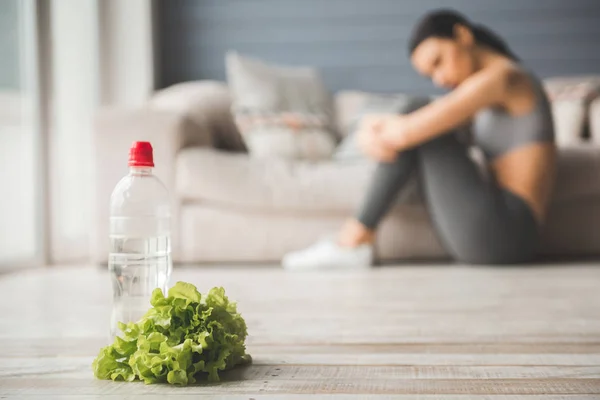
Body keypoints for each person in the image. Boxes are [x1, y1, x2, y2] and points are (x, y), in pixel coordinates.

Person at [282, 9, 556, 270]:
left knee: (416, 110)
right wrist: (375, 129)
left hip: (507, 233)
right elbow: (417, 129)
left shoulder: (505, 76)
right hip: (498, 236)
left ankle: (354, 241)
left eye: (438, 62)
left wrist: (370, 127)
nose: (439, 79)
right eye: (430, 74)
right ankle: (353, 240)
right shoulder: (488, 94)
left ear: (462, 35)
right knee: (419, 119)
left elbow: (408, 130)